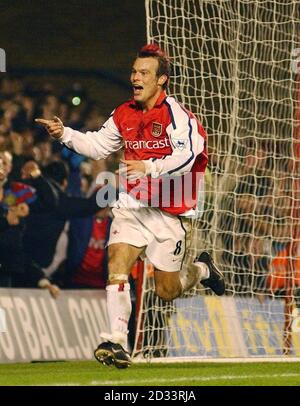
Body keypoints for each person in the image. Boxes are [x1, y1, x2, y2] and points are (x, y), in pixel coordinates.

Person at [36, 44, 225, 368]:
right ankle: (117, 340)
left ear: (161, 80)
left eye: (143, 73)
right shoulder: (123, 113)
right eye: (134, 71)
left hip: (170, 211)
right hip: (133, 204)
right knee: (117, 261)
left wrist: (149, 167)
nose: (135, 77)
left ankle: (203, 269)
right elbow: (96, 145)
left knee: (167, 290)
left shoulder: (177, 116)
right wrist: (64, 133)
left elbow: (190, 155)